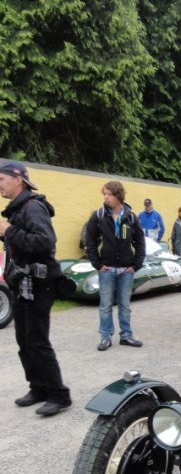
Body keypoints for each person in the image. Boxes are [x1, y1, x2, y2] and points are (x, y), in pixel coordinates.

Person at [0, 160, 72, 416]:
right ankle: (38, 387)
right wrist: (7, 233)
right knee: (23, 340)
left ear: (17, 179)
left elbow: (45, 242)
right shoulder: (18, 210)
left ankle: (59, 395)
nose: (0, 186)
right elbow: (22, 241)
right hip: (22, 284)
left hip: (40, 285)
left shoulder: (32, 207)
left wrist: (9, 231)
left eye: (2, 180)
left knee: (37, 341)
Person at [86, 181, 146, 351]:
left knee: (125, 305)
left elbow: (140, 242)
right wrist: (97, 264)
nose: (106, 197)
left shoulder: (131, 216)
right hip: (107, 269)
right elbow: (89, 241)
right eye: (104, 194)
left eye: (109, 194)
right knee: (105, 305)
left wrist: (136, 265)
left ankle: (126, 336)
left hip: (126, 269)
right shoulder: (98, 215)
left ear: (118, 195)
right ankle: (105, 337)